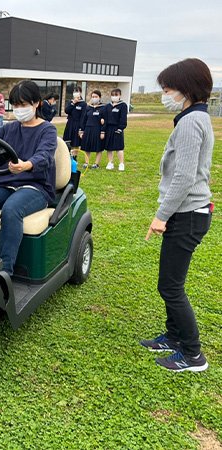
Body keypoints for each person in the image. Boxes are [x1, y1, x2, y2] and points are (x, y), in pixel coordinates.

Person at [142, 58, 214, 372]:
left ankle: (193, 355)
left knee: (170, 286)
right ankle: (173, 337)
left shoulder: (190, 122)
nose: (165, 95)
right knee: (171, 283)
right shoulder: (195, 118)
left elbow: (184, 177)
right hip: (188, 214)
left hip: (187, 215)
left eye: (169, 89)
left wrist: (162, 215)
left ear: (186, 90)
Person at [0, 80, 57, 275]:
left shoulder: (47, 130)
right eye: (15, 105)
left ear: (37, 103)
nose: (19, 109)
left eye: (23, 105)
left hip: (34, 185)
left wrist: (27, 165)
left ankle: (6, 270)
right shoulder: (9, 128)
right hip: (4, 182)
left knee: (11, 210)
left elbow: (45, 155)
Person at [79, 90, 106, 168]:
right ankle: (86, 163)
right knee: (87, 147)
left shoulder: (103, 108)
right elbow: (83, 120)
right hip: (88, 129)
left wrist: (102, 131)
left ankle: (96, 164)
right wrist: (81, 131)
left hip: (97, 130)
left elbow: (105, 121)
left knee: (98, 147)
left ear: (99, 97)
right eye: (93, 97)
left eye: (96, 97)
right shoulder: (88, 107)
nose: (94, 98)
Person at [104, 88, 128, 171]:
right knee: (109, 148)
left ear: (120, 96)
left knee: (119, 147)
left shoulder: (123, 105)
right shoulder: (107, 106)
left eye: (116, 95)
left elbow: (123, 118)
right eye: (113, 95)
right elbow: (105, 118)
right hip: (108, 129)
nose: (114, 97)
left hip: (117, 128)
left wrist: (120, 128)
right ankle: (110, 163)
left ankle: (121, 164)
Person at [63, 87, 86, 154]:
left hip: (77, 124)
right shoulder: (71, 102)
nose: (76, 93)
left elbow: (83, 117)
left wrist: (81, 128)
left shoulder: (83, 104)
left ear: (80, 93)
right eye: (74, 91)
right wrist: (73, 103)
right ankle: (67, 156)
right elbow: (66, 111)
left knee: (75, 143)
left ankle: (74, 157)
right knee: (67, 141)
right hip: (70, 123)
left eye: (77, 91)